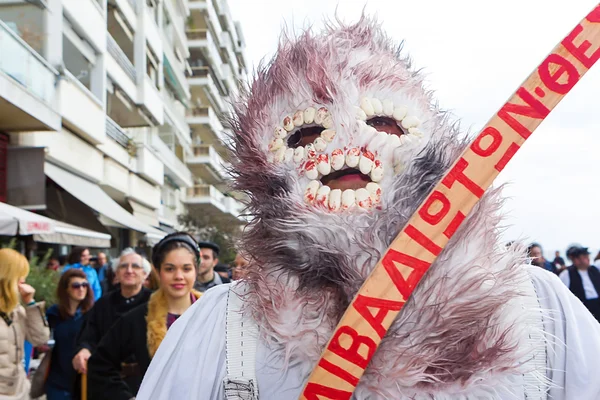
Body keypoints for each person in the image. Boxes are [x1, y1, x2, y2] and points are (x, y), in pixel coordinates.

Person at [137, 16, 600, 400]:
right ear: (263, 168)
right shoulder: (225, 324)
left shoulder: (537, 309)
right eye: (304, 134)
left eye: (382, 121)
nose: (344, 137)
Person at [88, 233, 202, 400]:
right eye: (170, 269)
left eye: (186, 268)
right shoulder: (137, 319)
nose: (179, 276)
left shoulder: (214, 315)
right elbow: (99, 366)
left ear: (196, 271)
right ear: (157, 271)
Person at [72, 248, 151, 384]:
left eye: (135, 266)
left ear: (145, 274)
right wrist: (84, 350)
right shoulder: (103, 304)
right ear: (116, 273)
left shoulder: (155, 303)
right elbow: (89, 335)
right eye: (123, 266)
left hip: (147, 380)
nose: (129, 270)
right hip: (110, 381)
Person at [0, 248, 49, 399]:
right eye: (20, 275)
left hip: (19, 388)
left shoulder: (18, 310)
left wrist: (31, 304)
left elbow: (40, 338)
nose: (23, 280)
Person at [45, 269, 94, 400]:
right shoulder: (53, 314)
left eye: (84, 285)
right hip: (58, 379)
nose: (81, 289)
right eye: (76, 286)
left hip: (83, 379)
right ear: (66, 289)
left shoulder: (92, 314)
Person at [559, 246, 600, 322]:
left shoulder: (594, 270)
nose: (587, 259)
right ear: (576, 260)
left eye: (587, 257)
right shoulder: (567, 274)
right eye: (584, 257)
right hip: (582, 308)